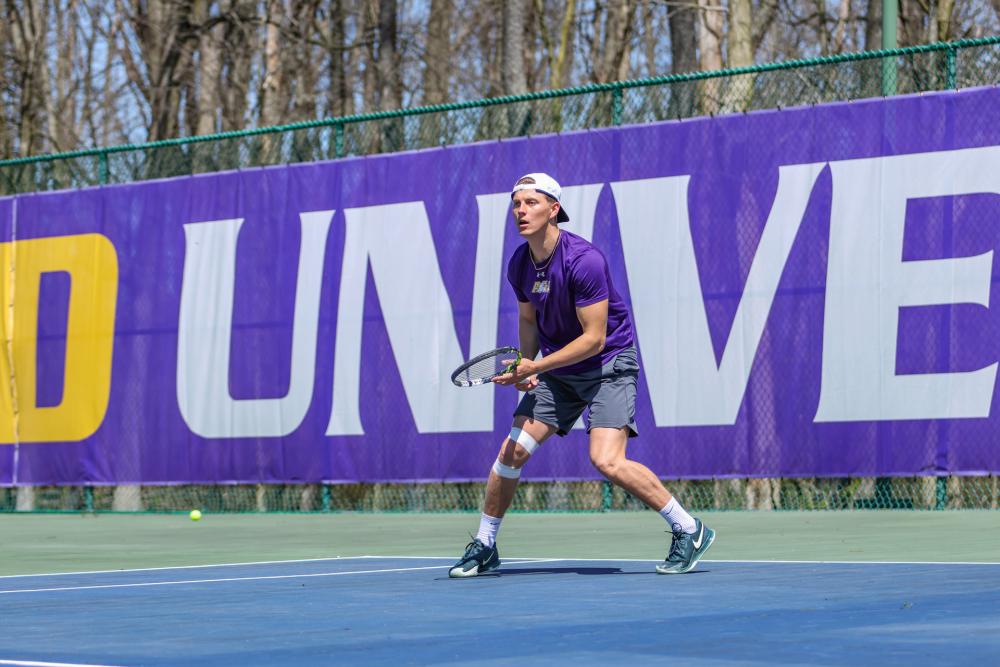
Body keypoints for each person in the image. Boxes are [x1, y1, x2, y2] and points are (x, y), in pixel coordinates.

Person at [448, 172, 716, 578]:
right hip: (559, 369)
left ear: (554, 209)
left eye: (531, 203)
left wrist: (538, 366)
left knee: (606, 460)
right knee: (511, 452)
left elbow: (594, 339)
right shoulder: (520, 264)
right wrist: (525, 364)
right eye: (516, 204)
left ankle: (689, 529)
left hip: (608, 364)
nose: (521, 211)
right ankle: (485, 545)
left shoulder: (584, 261)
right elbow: (528, 319)